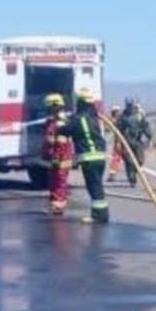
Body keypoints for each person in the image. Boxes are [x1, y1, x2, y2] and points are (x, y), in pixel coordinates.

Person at [64, 91, 109, 223]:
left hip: (89, 158)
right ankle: (101, 213)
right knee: (97, 185)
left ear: (81, 103)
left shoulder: (79, 119)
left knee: (94, 187)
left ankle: (99, 216)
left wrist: (61, 126)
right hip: (100, 157)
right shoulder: (94, 117)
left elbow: (67, 130)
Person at [41, 93, 73, 215]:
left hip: (61, 157)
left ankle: (59, 205)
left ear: (55, 106)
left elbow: (61, 143)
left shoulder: (61, 123)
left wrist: (56, 157)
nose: (48, 110)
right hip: (54, 156)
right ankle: (54, 203)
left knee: (60, 180)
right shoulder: (51, 121)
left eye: (50, 107)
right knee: (53, 180)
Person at [115, 98, 152, 187]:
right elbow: (117, 130)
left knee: (140, 161)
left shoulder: (139, 115)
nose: (129, 107)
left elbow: (145, 126)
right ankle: (131, 178)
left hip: (137, 141)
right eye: (128, 105)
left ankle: (134, 172)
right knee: (129, 161)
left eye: (131, 105)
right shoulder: (122, 117)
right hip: (126, 142)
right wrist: (117, 142)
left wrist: (149, 136)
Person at [107, 105, 124, 182]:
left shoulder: (120, 120)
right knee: (116, 158)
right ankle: (112, 174)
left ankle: (132, 174)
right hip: (117, 142)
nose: (118, 113)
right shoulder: (113, 121)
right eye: (117, 112)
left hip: (121, 142)